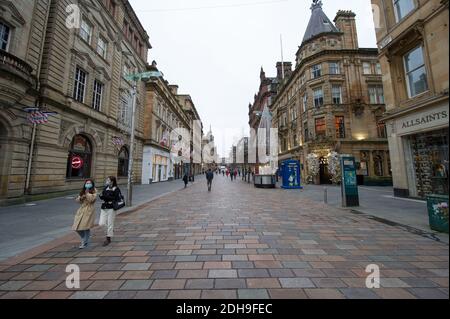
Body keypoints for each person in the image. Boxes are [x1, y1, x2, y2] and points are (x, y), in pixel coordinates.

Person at [72, 180, 97, 249]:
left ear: (92, 184)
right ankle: (85, 238)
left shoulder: (94, 191)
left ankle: (84, 242)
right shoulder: (83, 190)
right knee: (76, 227)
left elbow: (92, 200)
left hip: (89, 210)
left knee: (86, 227)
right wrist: (81, 197)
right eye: (87, 183)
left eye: (89, 183)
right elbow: (77, 201)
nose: (88, 184)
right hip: (81, 210)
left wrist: (87, 194)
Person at [99, 176, 122, 247]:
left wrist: (106, 197)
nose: (107, 181)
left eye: (108, 180)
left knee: (110, 223)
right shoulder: (105, 188)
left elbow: (117, 198)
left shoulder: (116, 189)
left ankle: (108, 238)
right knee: (101, 223)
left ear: (112, 181)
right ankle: (110, 231)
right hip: (104, 207)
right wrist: (101, 196)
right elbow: (103, 196)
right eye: (107, 180)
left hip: (111, 208)